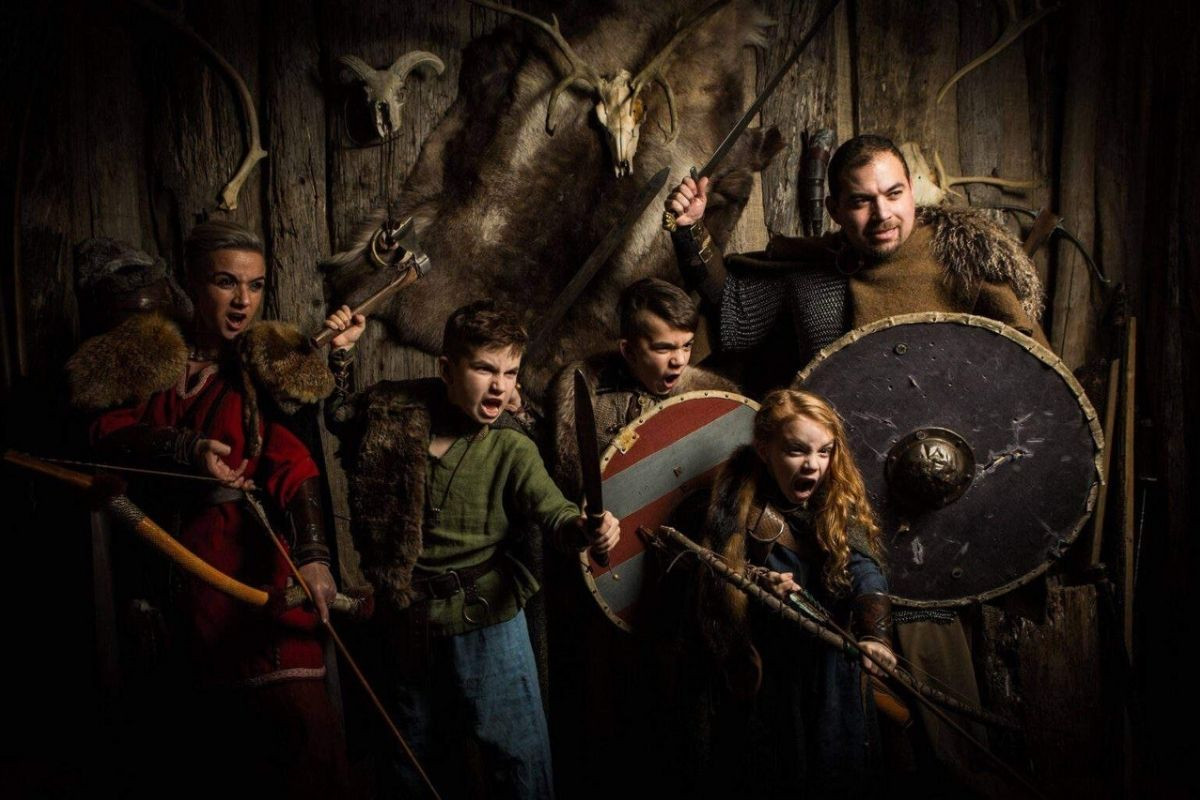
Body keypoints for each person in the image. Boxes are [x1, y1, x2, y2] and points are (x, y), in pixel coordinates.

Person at [66, 221, 346, 797]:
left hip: (248, 572)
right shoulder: (151, 359)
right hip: (168, 574)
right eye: (226, 282)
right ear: (190, 282)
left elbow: (295, 463)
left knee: (301, 738)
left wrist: (314, 559)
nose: (243, 301)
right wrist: (184, 449)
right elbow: (104, 430)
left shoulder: (262, 369)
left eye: (256, 285)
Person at [323, 299, 620, 799]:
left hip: (489, 618)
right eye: (484, 368)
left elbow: (555, 513)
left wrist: (588, 528)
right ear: (446, 368)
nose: (500, 386)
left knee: (518, 760)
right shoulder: (397, 419)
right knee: (409, 759)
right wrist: (340, 356)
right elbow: (340, 417)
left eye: (510, 371)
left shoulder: (511, 447)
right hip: (409, 618)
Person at [666, 133, 1048, 392]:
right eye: (861, 201)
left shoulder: (963, 261)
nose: (882, 214)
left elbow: (1029, 369)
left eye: (893, 194)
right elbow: (730, 304)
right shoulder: (814, 273)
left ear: (911, 192)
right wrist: (689, 229)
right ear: (835, 209)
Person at [693, 388, 895, 796]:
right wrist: (753, 584)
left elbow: (864, 570)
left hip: (832, 672)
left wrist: (876, 636)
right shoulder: (735, 506)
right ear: (764, 449)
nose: (813, 465)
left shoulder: (837, 500)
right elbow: (712, 592)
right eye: (797, 451)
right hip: (769, 675)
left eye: (824, 451)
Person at [548, 277, 736, 498]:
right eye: (664, 349)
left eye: (687, 346)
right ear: (629, 351)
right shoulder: (583, 396)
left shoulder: (708, 399)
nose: (680, 360)